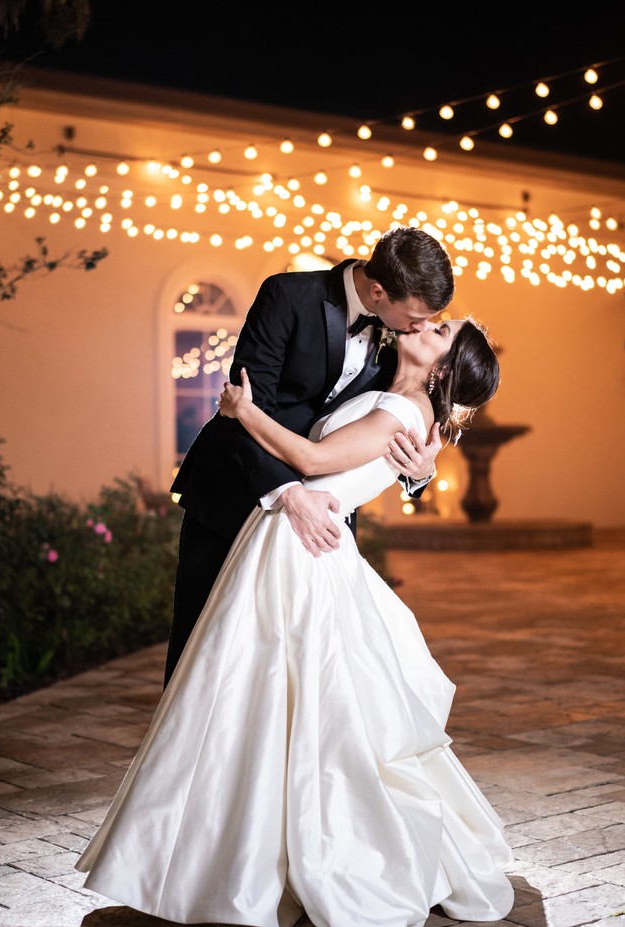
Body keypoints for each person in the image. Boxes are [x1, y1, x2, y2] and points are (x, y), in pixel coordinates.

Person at [75, 317, 515, 927]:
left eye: (443, 329)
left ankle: (246, 871)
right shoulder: (394, 393)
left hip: (300, 546)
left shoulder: (401, 409)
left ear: (443, 368)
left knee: (262, 703)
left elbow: (311, 459)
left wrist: (241, 410)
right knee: (264, 704)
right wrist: (423, 462)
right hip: (296, 537)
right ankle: (239, 867)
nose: (427, 323)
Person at [164, 227, 455, 685]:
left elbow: (384, 424)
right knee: (203, 651)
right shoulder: (287, 295)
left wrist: (421, 472)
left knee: (301, 667)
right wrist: (287, 491)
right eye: (417, 317)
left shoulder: (401, 342)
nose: (421, 328)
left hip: (320, 529)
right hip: (234, 494)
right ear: (378, 291)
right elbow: (241, 408)